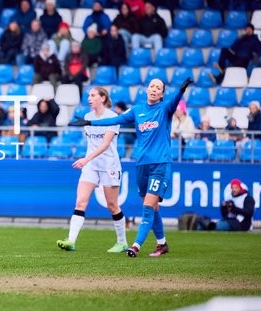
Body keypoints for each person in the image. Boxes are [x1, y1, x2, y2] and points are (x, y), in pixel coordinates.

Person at [70, 77, 194, 257]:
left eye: (158, 88)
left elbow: (174, 101)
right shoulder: (137, 111)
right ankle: (162, 244)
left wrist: (181, 91)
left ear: (162, 94)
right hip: (142, 164)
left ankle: (135, 245)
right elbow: (115, 120)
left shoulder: (165, 109)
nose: (154, 89)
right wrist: (90, 123)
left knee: (147, 207)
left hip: (160, 163)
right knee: (153, 207)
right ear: (147, 89)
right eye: (152, 86)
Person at [57, 87, 128, 253]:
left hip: (109, 165)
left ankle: (122, 241)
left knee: (112, 205)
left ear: (102, 98)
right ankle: (71, 241)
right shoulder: (87, 117)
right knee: (80, 202)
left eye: (93, 95)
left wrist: (86, 158)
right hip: (91, 166)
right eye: (88, 95)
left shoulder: (112, 117)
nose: (89, 98)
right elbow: (92, 144)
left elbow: (105, 145)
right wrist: (88, 160)